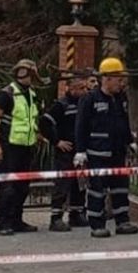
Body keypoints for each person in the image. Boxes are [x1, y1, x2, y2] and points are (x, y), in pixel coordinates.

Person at [74, 57, 138, 238]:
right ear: (107, 78)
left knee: (120, 188)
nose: (122, 82)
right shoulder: (89, 99)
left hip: (117, 152)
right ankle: (97, 225)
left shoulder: (120, 98)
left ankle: (122, 221)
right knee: (97, 190)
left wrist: (130, 140)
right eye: (119, 79)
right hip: (97, 153)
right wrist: (80, 151)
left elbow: (124, 121)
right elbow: (80, 126)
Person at [0, 59, 44, 236]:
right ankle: (3, 222)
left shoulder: (31, 94)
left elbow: (30, 118)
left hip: (26, 146)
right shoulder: (7, 93)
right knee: (8, 186)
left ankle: (17, 220)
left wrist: (37, 133)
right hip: (10, 146)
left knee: (22, 186)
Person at [39, 70, 90, 231]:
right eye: (80, 88)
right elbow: (44, 123)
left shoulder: (84, 104)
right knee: (62, 184)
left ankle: (76, 214)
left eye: (85, 88)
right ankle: (56, 218)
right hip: (65, 152)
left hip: (80, 151)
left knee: (79, 183)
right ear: (70, 88)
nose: (84, 91)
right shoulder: (62, 105)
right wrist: (56, 141)